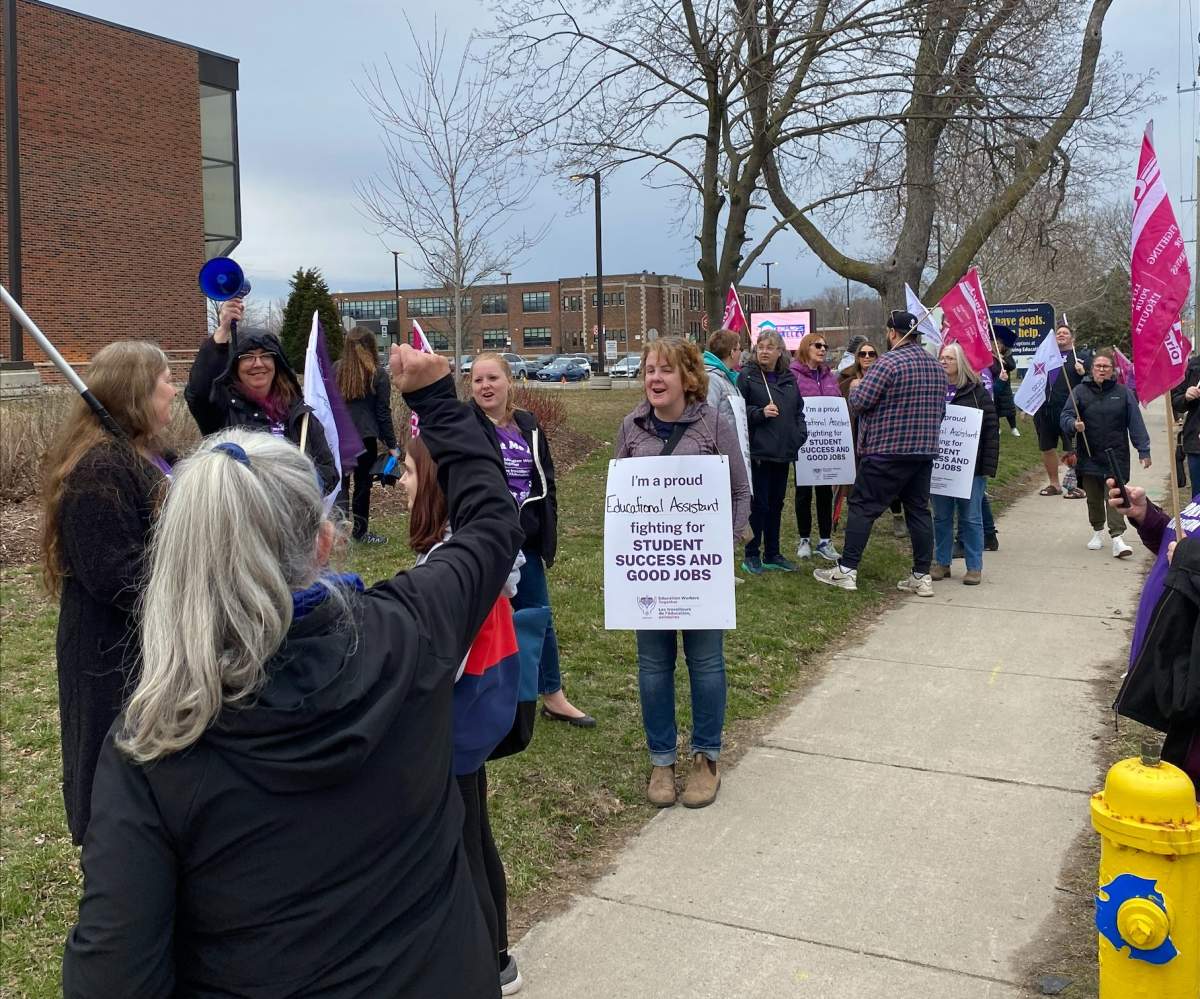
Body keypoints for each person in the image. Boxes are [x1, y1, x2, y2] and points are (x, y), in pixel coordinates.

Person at [63, 347, 525, 998]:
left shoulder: (154, 747)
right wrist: (435, 401)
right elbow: (492, 526)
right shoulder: (411, 629)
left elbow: (111, 976)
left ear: (175, 558)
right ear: (323, 543)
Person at [403, 429, 524, 995]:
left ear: (433, 483)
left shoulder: (445, 565)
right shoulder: (473, 551)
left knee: (464, 845)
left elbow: (439, 661)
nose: (400, 482)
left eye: (407, 471)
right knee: (477, 835)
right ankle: (497, 952)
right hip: (474, 725)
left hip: (449, 727)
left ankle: (485, 962)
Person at [40, 342, 177, 846]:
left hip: (154, 644)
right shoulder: (98, 470)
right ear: (136, 389)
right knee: (112, 769)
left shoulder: (152, 453)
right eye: (165, 378)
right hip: (110, 654)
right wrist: (191, 580)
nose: (173, 388)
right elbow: (115, 574)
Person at [614, 337, 750, 808]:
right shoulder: (630, 427)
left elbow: (740, 492)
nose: (654, 378)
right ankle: (661, 760)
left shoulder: (713, 423)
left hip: (699, 570)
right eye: (649, 369)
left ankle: (707, 758)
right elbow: (620, 501)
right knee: (653, 665)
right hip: (649, 570)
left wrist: (726, 546)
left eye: (665, 370)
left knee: (705, 662)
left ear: (688, 377)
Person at [470, 351, 594, 728]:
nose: (486, 386)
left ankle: (552, 695)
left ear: (510, 381)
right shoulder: (467, 425)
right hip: (484, 539)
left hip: (525, 539)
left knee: (538, 616)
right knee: (478, 619)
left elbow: (546, 480)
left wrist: (547, 533)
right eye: (478, 380)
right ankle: (478, 696)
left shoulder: (527, 424)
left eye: (493, 378)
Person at [814, 310, 946, 596]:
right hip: (923, 452)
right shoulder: (935, 366)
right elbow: (942, 410)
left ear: (892, 333)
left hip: (885, 451)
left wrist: (857, 388)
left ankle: (847, 570)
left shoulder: (887, 363)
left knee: (862, 507)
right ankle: (922, 575)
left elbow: (860, 402)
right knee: (919, 511)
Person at [185, 298, 338, 494]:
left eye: (266, 356)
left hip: (294, 518)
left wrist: (304, 485)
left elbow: (328, 470)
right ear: (235, 366)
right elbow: (198, 392)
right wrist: (223, 330)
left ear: (277, 363)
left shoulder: (299, 414)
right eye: (248, 357)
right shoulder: (222, 411)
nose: (258, 364)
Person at [1107, 481, 1200, 795]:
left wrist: (1191, 560)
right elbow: (1173, 545)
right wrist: (1147, 516)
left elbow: (1187, 558)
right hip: (1185, 675)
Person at [1059, 348, 1150, 559]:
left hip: (1115, 455)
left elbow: (1135, 422)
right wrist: (1074, 424)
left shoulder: (1123, 392)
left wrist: (1143, 450)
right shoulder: (1080, 392)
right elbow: (1065, 415)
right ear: (1092, 369)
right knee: (1093, 497)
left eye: (1106, 367)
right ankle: (1097, 530)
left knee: (1116, 495)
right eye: (1098, 366)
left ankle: (1117, 537)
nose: (1101, 370)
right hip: (1088, 453)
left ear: (1112, 370)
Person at [738, 329, 807, 574]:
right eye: (761, 346)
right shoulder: (747, 377)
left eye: (770, 347)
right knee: (760, 505)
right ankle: (752, 554)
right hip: (759, 452)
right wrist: (759, 413)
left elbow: (798, 411)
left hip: (783, 451)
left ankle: (773, 553)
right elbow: (736, 411)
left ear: (780, 352)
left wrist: (800, 434)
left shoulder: (788, 379)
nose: (764, 351)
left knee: (777, 504)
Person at [931, 342, 999, 585]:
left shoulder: (976, 392)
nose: (944, 362)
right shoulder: (933, 390)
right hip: (939, 465)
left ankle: (974, 567)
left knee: (970, 517)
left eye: (949, 358)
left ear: (960, 361)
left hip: (971, 467)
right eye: (941, 358)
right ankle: (942, 562)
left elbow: (991, 430)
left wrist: (988, 466)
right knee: (941, 516)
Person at [334, 326, 398, 544]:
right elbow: (382, 412)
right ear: (371, 346)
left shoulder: (336, 370)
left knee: (341, 484)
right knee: (363, 485)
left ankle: (339, 533)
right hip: (365, 437)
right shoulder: (377, 374)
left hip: (340, 435)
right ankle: (360, 533)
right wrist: (392, 444)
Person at [839, 339, 906, 540]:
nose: (867, 357)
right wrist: (851, 388)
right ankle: (855, 517)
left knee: (888, 480)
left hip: (880, 435)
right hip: (853, 431)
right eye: (863, 354)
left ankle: (897, 515)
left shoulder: (887, 375)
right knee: (855, 477)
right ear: (857, 358)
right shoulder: (846, 378)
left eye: (871, 354)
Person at [791, 331, 841, 562]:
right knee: (803, 492)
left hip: (826, 444)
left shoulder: (830, 377)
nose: (822, 349)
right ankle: (804, 539)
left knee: (824, 492)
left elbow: (838, 402)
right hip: (803, 442)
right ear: (805, 348)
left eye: (825, 346)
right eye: (817, 345)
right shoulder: (793, 375)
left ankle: (825, 540)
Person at [1033, 323, 1092, 498]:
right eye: (1058, 333)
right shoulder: (1047, 356)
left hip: (1068, 409)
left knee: (1072, 448)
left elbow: (1092, 382)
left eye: (1065, 333)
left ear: (1072, 338)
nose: (1061, 335)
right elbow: (1034, 381)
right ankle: (1054, 484)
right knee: (1047, 447)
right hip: (1044, 409)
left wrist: (1083, 373)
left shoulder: (1080, 358)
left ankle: (1076, 485)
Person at [703, 328, 751, 477]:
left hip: (730, 450)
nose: (740, 353)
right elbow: (706, 417)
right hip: (719, 454)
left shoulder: (728, 378)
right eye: (739, 349)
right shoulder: (712, 379)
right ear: (732, 352)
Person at [1171, 350, 1200, 491]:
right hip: (1197, 443)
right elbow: (1176, 401)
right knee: (1198, 500)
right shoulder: (1193, 366)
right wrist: (1186, 397)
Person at [990, 338, 1019, 436]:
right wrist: (996, 358)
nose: (996, 345)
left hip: (1005, 386)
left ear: (1002, 345)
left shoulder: (1007, 353)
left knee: (1009, 408)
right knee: (995, 407)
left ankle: (1013, 428)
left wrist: (1003, 359)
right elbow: (992, 370)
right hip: (995, 385)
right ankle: (997, 427)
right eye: (994, 343)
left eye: (998, 343)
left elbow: (1012, 366)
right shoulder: (989, 356)